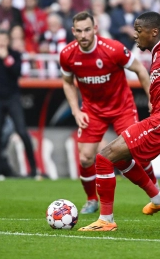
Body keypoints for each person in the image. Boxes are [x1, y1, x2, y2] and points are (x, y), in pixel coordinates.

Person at [77, 11, 160, 231]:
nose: (135, 36)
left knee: (103, 158)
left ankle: (106, 221)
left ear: (154, 31)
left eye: (139, 31)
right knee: (118, 159)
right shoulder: (158, 53)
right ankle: (158, 200)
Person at [60, 11, 153, 214]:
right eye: (79, 31)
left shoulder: (113, 49)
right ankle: (92, 200)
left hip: (122, 108)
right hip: (92, 111)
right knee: (85, 158)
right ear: (73, 31)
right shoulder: (67, 54)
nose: (83, 35)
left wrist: (151, 98)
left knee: (138, 153)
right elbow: (67, 83)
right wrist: (76, 110)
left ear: (95, 29)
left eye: (87, 30)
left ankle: (155, 194)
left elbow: (140, 70)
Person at [0, 29, 38, 179]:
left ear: (8, 41)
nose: (1, 42)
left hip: (12, 97)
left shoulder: (14, 55)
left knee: (22, 132)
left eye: (4, 39)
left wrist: (6, 58)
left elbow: (17, 72)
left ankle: (33, 169)